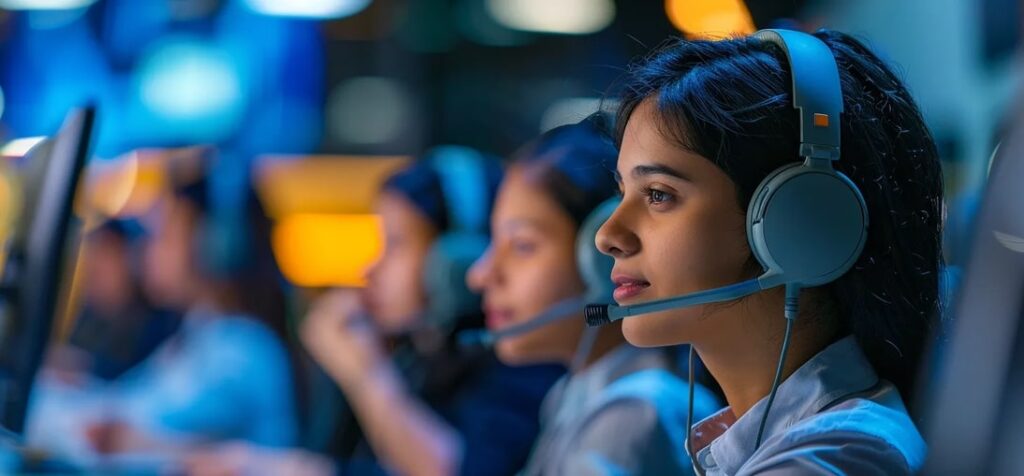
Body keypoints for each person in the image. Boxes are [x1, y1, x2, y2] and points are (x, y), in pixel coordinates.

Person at [594, 29, 942, 474]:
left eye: (659, 194)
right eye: (623, 191)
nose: (607, 235)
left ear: (791, 218)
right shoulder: (773, 443)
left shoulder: (832, 460)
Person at [466, 118, 720, 475]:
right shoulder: (574, 393)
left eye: (522, 245)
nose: (479, 274)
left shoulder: (635, 412)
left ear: (601, 258)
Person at [294, 148, 564, 476]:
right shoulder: (416, 353)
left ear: (454, 256)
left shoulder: (520, 354)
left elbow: (459, 470)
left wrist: (365, 373)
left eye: (394, 244)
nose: (370, 268)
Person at [27, 152, 300, 466]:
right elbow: (127, 404)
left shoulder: (242, 349)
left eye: (165, 234)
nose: (147, 250)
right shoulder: (200, 334)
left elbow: (116, 428)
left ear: (216, 244)